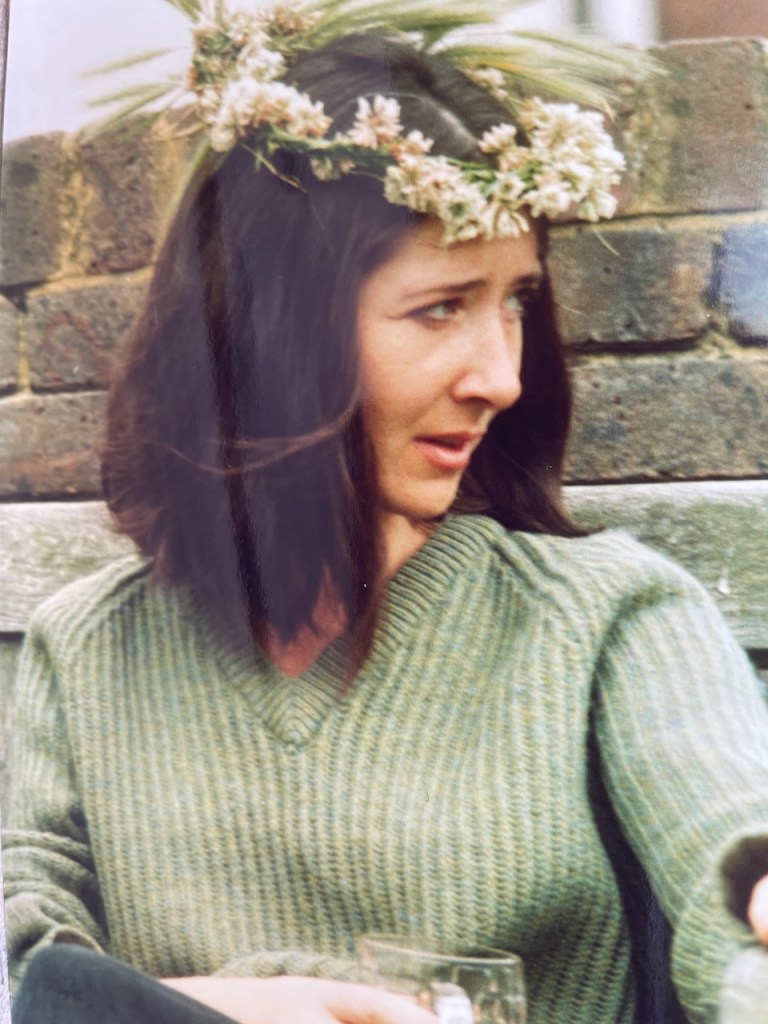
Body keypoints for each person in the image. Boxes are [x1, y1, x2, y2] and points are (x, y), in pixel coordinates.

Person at [4, 2, 768, 1022]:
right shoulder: (88, 654)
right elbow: (27, 967)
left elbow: (726, 840)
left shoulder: (611, 619)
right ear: (275, 334)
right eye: (440, 308)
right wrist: (241, 1007)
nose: (500, 376)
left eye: (516, 302)